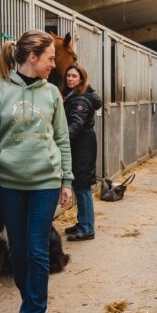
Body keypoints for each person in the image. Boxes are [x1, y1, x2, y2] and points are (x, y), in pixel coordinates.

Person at [0, 29, 73, 313]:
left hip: (45, 182)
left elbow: (62, 140)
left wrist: (67, 180)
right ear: (32, 57)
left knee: (36, 250)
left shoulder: (52, 94)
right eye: (49, 59)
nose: (53, 65)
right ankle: (29, 300)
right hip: (9, 185)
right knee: (17, 253)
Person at [61, 64, 102, 241]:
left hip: (82, 148)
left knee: (83, 186)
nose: (70, 79)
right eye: (68, 76)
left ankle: (87, 228)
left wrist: (60, 141)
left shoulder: (80, 100)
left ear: (81, 79)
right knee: (79, 185)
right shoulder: (77, 95)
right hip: (82, 146)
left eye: (74, 76)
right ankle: (82, 222)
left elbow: (76, 125)